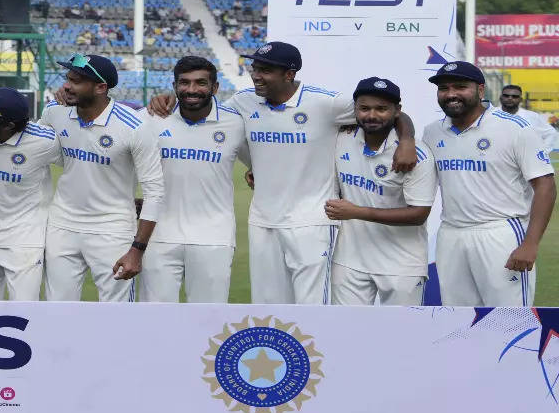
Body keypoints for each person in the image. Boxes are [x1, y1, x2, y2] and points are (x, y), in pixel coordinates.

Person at [148, 41, 418, 305]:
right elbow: (203, 109)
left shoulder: (326, 103)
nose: (256, 75)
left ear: (289, 75)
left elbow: (391, 112)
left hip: (312, 221)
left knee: (313, 309)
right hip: (263, 222)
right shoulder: (244, 102)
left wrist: (407, 141)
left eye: (265, 70)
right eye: (255, 68)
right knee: (269, 308)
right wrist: (168, 99)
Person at [424, 61, 556, 306]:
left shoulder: (514, 128)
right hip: (451, 234)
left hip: (501, 233)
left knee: (508, 319)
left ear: (480, 90)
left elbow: (545, 185)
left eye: (460, 86)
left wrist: (530, 243)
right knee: (458, 319)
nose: (451, 94)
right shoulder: (432, 132)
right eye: (444, 88)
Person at [38, 53, 164, 303]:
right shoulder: (55, 113)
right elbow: (39, 150)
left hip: (112, 229)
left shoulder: (134, 127)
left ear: (100, 87)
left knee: (116, 314)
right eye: (68, 79)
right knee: (57, 309)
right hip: (62, 225)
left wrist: (136, 251)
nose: (66, 86)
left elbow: (155, 192)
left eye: (76, 81)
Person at [138, 56, 248, 304]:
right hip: (159, 235)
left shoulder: (236, 123)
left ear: (215, 88)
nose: (191, 90)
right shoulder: (152, 117)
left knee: (209, 321)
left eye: (200, 83)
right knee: (154, 320)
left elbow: (260, 162)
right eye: (184, 83)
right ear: (175, 86)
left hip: (214, 238)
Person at [327, 78, 437, 306]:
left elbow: (418, 214)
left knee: (401, 337)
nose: (372, 115)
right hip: (349, 261)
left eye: (382, 109)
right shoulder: (341, 137)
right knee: (347, 333)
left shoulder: (417, 155)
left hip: (402, 264)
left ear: (397, 110)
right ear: (355, 109)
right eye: (364, 108)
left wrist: (356, 212)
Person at [0, 87, 60, 301]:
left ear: (9, 125)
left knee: (24, 315)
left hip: (24, 243)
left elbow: (83, 163)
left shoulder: (45, 142)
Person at [499, 84, 559, 152]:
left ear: (520, 99)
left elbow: (551, 133)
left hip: (524, 160)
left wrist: (542, 152)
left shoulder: (532, 116)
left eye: (515, 96)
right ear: (501, 98)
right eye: (506, 95)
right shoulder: (490, 115)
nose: (510, 98)